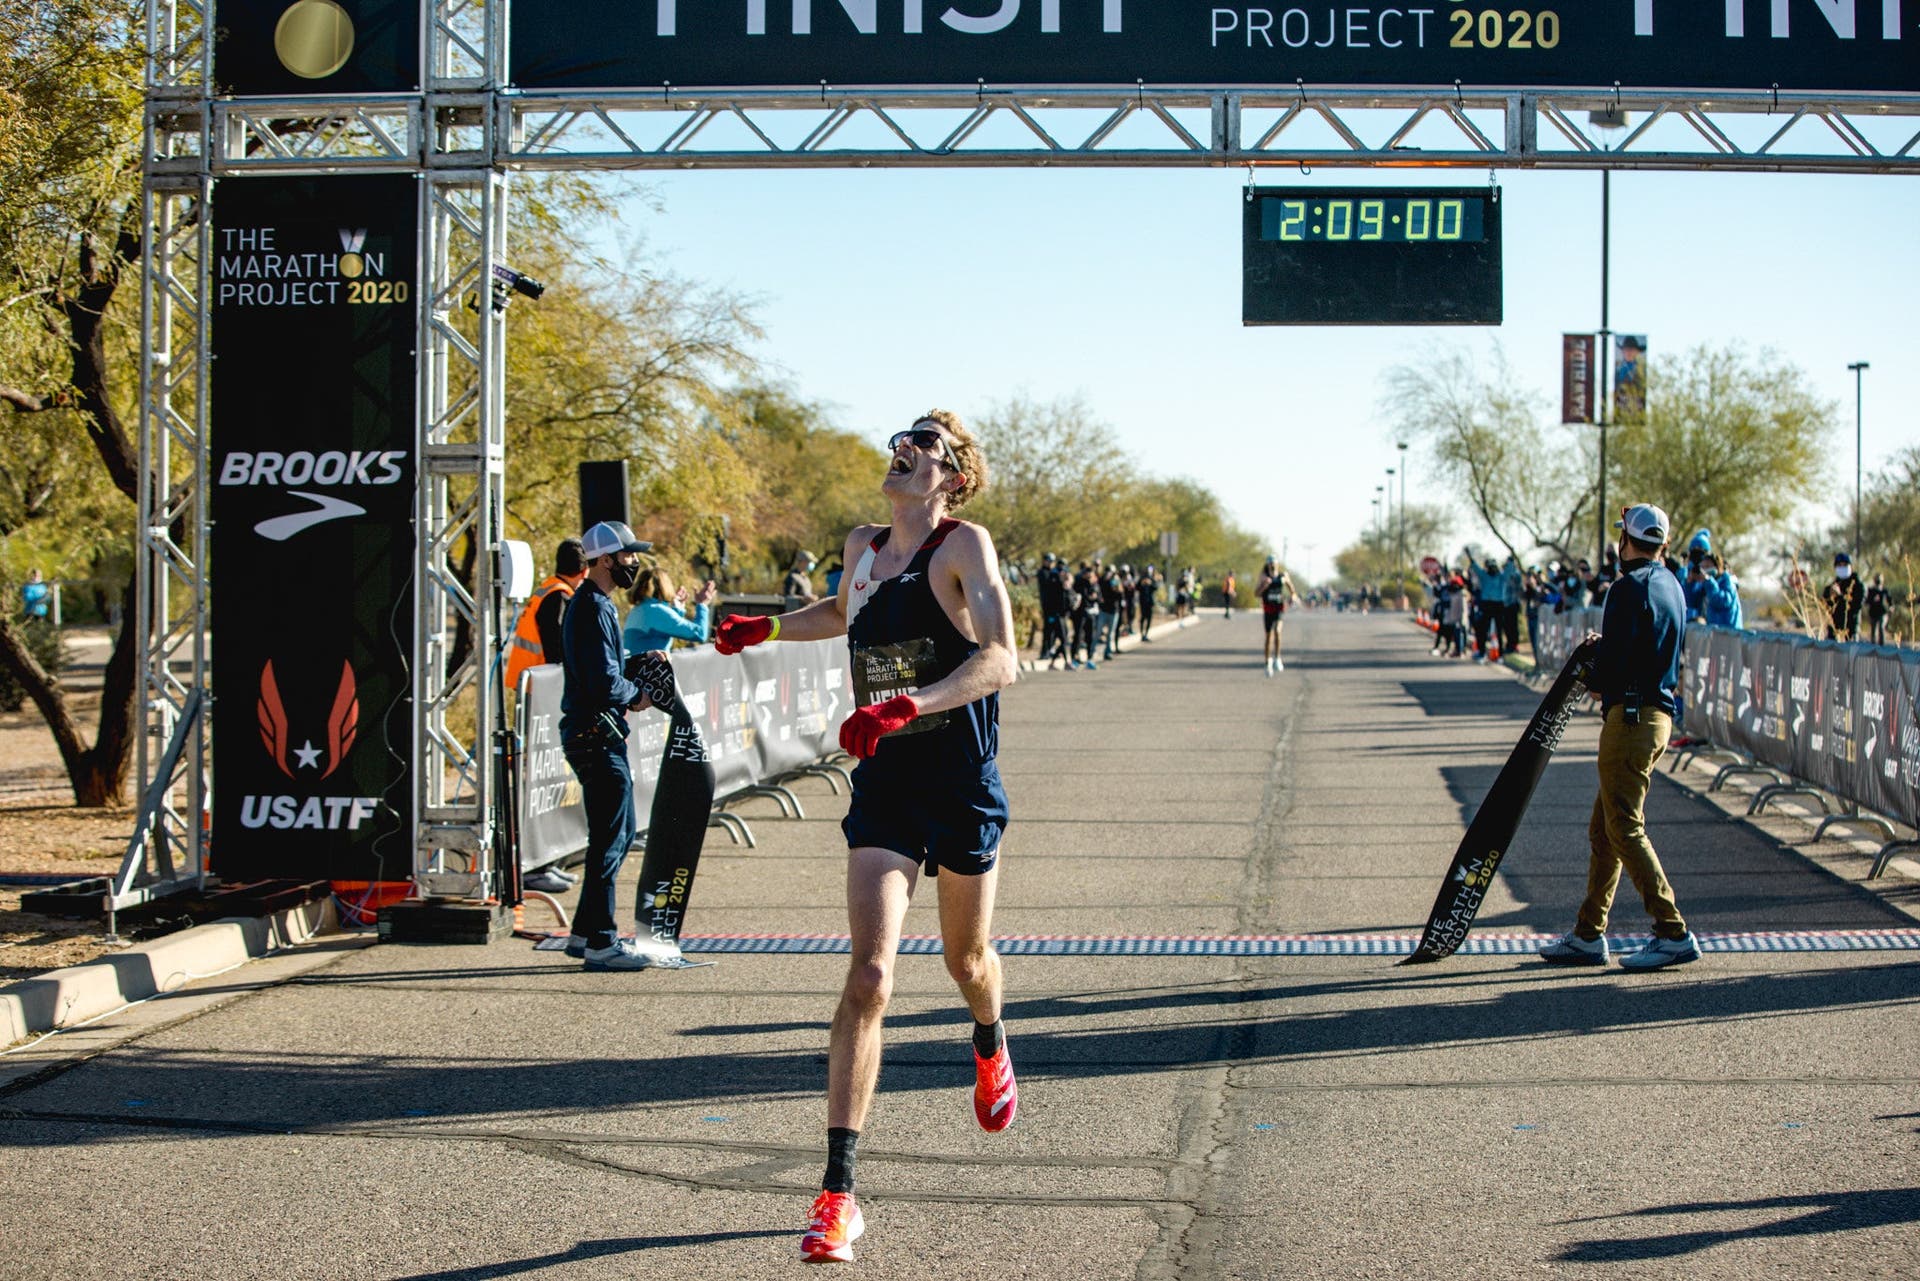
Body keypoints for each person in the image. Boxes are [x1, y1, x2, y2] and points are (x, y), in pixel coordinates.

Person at [711, 410, 1019, 1265]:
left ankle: (989, 1038)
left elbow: (1002, 658)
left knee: (966, 961)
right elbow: (843, 612)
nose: (907, 446)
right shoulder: (860, 543)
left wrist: (909, 704)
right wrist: (765, 626)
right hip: (886, 781)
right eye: (904, 433)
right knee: (871, 973)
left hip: (960, 780)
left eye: (928, 442)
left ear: (951, 474)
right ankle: (838, 1193)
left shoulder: (963, 547)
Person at [1539, 503, 1701, 971]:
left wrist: (1596, 666)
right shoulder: (1671, 584)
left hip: (1630, 718)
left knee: (1624, 826)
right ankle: (1589, 934)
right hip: (1656, 715)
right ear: (1663, 544)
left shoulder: (1627, 588)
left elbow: (1616, 663)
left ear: (1624, 541)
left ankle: (1672, 931)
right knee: (1604, 828)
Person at [558, 520, 658, 970]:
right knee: (612, 837)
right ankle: (601, 941)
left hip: (592, 733)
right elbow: (601, 680)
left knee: (613, 832)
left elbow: (602, 666)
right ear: (604, 560)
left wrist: (639, 661)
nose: (633, 563)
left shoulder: (593, 603)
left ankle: (583, 933)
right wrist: (635, 694)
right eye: (627, 556)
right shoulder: (593, 605)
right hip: (595, 736)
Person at [505, 538, 587, 692]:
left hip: (530, 677)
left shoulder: (548, 588)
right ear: (584, 572)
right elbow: (555, 646)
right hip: (540, 681)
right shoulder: (559, 596)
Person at [623, 565, 717, 656]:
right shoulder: (657, 611)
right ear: (665, 586)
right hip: (650, 670)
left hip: (635, 669)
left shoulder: (638, 609)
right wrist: (702, 605)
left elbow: (662, 631)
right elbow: (699, 634)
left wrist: (677, 610)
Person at [1256, 558, 1294, 675]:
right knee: (1268, 636)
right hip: (1268, 609)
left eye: (1274, 563)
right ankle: (1267, 662)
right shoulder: (1264, 577)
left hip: (1279, 608)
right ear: (1267, 565)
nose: (1272, 566)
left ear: (1277, 564)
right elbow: (1256, 593)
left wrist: (1292, 597)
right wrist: (1264, 586)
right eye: (1270, 564)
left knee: (1277, 631)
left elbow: (1292, 589)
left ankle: (1277, 658)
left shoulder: (1283, 576)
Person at [1036, 552, 1069, 670]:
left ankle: (1051, 653)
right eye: (1048, 561)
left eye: (1052, 561)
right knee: (1048, 632)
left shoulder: (1054, 573)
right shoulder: (1043, 573)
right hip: (1048, 608)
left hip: (1058, 610)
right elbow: (1049, 586)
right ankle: (1044, 653)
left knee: (1058, 634)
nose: (1050, 563)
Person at [1823, 553, 1865, 641]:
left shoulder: (1858, 586)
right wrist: (1830, 596)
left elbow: (1855, 607)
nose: (1842, 568)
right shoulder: (1833, 585)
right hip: (1834, 631)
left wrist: (1840, 596)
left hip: (1850, 631)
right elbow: (1826, 606)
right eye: (1839, 565)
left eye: (1845, 565)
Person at [1866, 572, 1892, 646]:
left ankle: (1882, 647)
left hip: (1883, 613)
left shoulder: (1885, 591)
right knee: (1873, 630)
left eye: (1880, 578)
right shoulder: (1871, 590)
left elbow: (1890, 600)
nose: (1879, 580)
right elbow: (1867, 601)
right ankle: (1873, 647)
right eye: (1877, 578)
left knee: (1881, 628)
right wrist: (1872, 600)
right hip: (1873, 613)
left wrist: (1891, 606)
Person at [1136, 565, 1159, 642]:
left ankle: (1146, 634)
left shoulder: (1152, 579)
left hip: (1150, 602)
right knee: (1143, 617)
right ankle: (1142, 634)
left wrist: (1150, 583)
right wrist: (1142, 583)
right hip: (1143, 601)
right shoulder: (1141, 579)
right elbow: (1137, 587)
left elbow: (1156, 587)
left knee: (1149, 618)